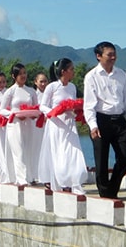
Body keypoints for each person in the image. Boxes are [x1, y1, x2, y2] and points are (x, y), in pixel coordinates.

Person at [83, 41, 126, 199]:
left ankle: (112, 189)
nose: (113, 57)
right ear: (99, 56)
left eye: (114, 54)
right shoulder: (92, 76)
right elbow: (89, 105)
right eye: (109, 54)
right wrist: (93, 125)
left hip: (119, 120)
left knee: (125, 156)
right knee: (101, 159)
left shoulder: (121, 74)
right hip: (101, 120)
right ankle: (105, 193)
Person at [39, 58, 87, 194]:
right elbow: (43, 106)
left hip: (69, 124)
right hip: (56, 124)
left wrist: (77, 110)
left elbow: (73, 103)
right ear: (63, 71)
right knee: (59, 152)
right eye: (71, 69)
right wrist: (54, 112)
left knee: (73, 152)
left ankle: (74, 180)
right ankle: (61, 181)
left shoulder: (72, 87)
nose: (73, 72)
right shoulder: (52, 87)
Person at [0, 63, 39, 185]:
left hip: (28, 124)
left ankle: (30, 176)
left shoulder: (31, 91)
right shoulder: (10, 91)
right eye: (20, 74)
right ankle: (21, 179)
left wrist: (33, 114)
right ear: (14, 76)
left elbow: (36, 107)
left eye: (24, 73)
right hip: (15, 124)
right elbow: (2, 109)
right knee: (19, 151)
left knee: (29, 150)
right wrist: (14, 113)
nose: (23, 76)